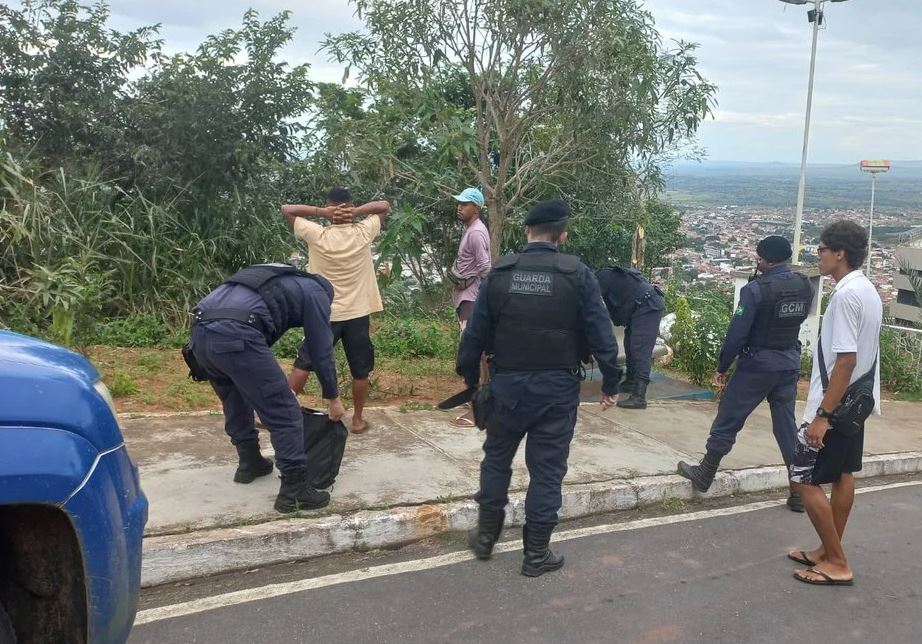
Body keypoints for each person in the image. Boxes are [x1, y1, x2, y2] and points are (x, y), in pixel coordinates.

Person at [457, 199, 622, 577]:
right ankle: (535, 555)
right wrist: (611, 384)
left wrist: (471, 383)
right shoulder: (577, 274)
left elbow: (474, 336)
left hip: (507, 387)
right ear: (562, 235)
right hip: (558, 389)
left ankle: (485, 538)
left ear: (527, 232)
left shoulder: (501, 272)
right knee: (547, 471)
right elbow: (602, 338)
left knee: (496, 459)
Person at [189, 263, 345, 513]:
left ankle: (249, 462)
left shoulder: (275, 276)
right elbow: (321, 350)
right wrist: (332, 397)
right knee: (285, 412)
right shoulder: (318, 293)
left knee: (234, 399)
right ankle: (293, 492)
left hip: (200, 337)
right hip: (237, 334)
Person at [677, 235, 814, 512]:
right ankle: (798, 491)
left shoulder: (755, 290)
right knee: (786, 427)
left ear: (766, 259)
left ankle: (705, 473)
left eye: (759, 257)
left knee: (729, 417)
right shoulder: (804, 285)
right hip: (788, 362)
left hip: (757, 365)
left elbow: (736, 333)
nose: (756, 261)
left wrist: (722, 367)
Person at [788, 220, 881, 586]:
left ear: (839, 252)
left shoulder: (844, 296)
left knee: (803, 476)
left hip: (834, 406)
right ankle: (828, 550)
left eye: (822, 249)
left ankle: (838, 562)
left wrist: (822, 416)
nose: (819, 255)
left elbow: (845, 360)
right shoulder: (867, 289)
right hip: (857, 403)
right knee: (843, 475)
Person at [281, 188, 390, 434]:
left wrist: (323, 213)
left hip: (323, 313)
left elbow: (287, 210)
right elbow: (384, 206)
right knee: (360, 368)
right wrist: (356, 212)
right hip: (357, 313)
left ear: (329, 207)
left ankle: (278, 414)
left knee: (305, 361)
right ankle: (358, 420)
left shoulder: (317, 234)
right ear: (349, 206)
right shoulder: (363, 232)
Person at [449, 187, 492, 427]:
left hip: (472, 299)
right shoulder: (472, 230)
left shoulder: (475, 233)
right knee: (475, 352)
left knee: (474, 353)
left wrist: (487, 298)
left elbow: (485, 268)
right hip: (467, 297)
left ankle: (479, 406)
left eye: (465, 204)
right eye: (459, 203)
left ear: (476, 208)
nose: (460, 207)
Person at [595, 265, 665, 409]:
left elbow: (593, 309)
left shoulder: (600, 280)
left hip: (648, 304)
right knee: (629, 343)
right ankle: (632, 381)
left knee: (640, 348)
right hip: (639, 306)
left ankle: (639, 397)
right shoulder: (601, 278)